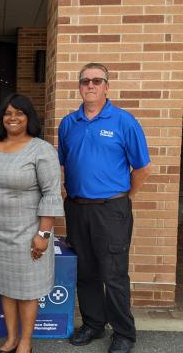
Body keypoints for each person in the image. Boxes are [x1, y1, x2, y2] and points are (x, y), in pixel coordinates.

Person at [58, 63, 151, 353]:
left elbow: (143, 168)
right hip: (77, 208)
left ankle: (124, 333)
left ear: (107, 87)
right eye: (85, 81)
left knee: (113, 274)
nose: (90, 85)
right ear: (79, 87)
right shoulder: (68, 123)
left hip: (112, 209)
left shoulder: (124, 121)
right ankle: (93, 324)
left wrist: (125, 197)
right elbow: (65, 163)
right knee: (85, 271)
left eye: (97, 80)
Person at [0, 93, 64, 353]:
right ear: (1, 118)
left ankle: (25, 342)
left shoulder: (42, 149)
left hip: (29, 231)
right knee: (5, 286)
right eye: (7, 113)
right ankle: (11, 338)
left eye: (19, 113)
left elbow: (51, 193)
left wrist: (43, 234)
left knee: (27, 290)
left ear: (29, 118)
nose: (12, 118)